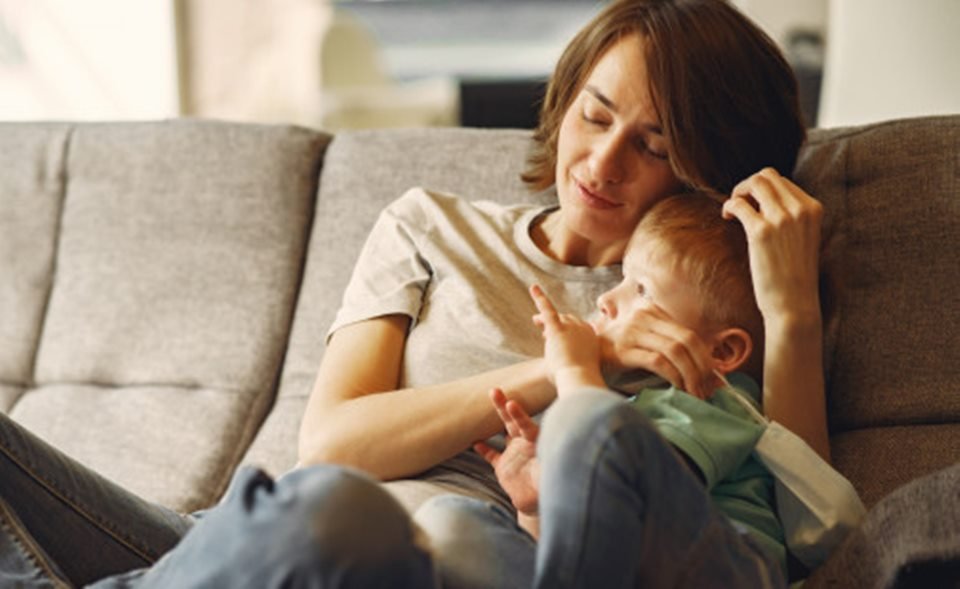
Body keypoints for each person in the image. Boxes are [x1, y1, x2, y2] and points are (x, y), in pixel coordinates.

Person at [0, 0, 826, 586]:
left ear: (708, 167)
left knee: (340, 516)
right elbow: (329, 443)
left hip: (376, 548)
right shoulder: (431, 224)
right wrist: (570, 364)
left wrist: (790, 311)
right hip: (236, 542)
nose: (602, 162)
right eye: (594, 113)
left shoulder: (690, 306)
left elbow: (805, 518)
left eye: (652, 144)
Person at [473, 191, 789, 587]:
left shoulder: (720, 401)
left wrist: (572, 367)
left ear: (723, 350)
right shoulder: (643, 404)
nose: (606, 298)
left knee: (596, 424)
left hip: (730, 572)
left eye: (642, 290)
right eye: (623, 278)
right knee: (455, 522)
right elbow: (577, 557)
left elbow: (628, 490)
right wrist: (534, 500)